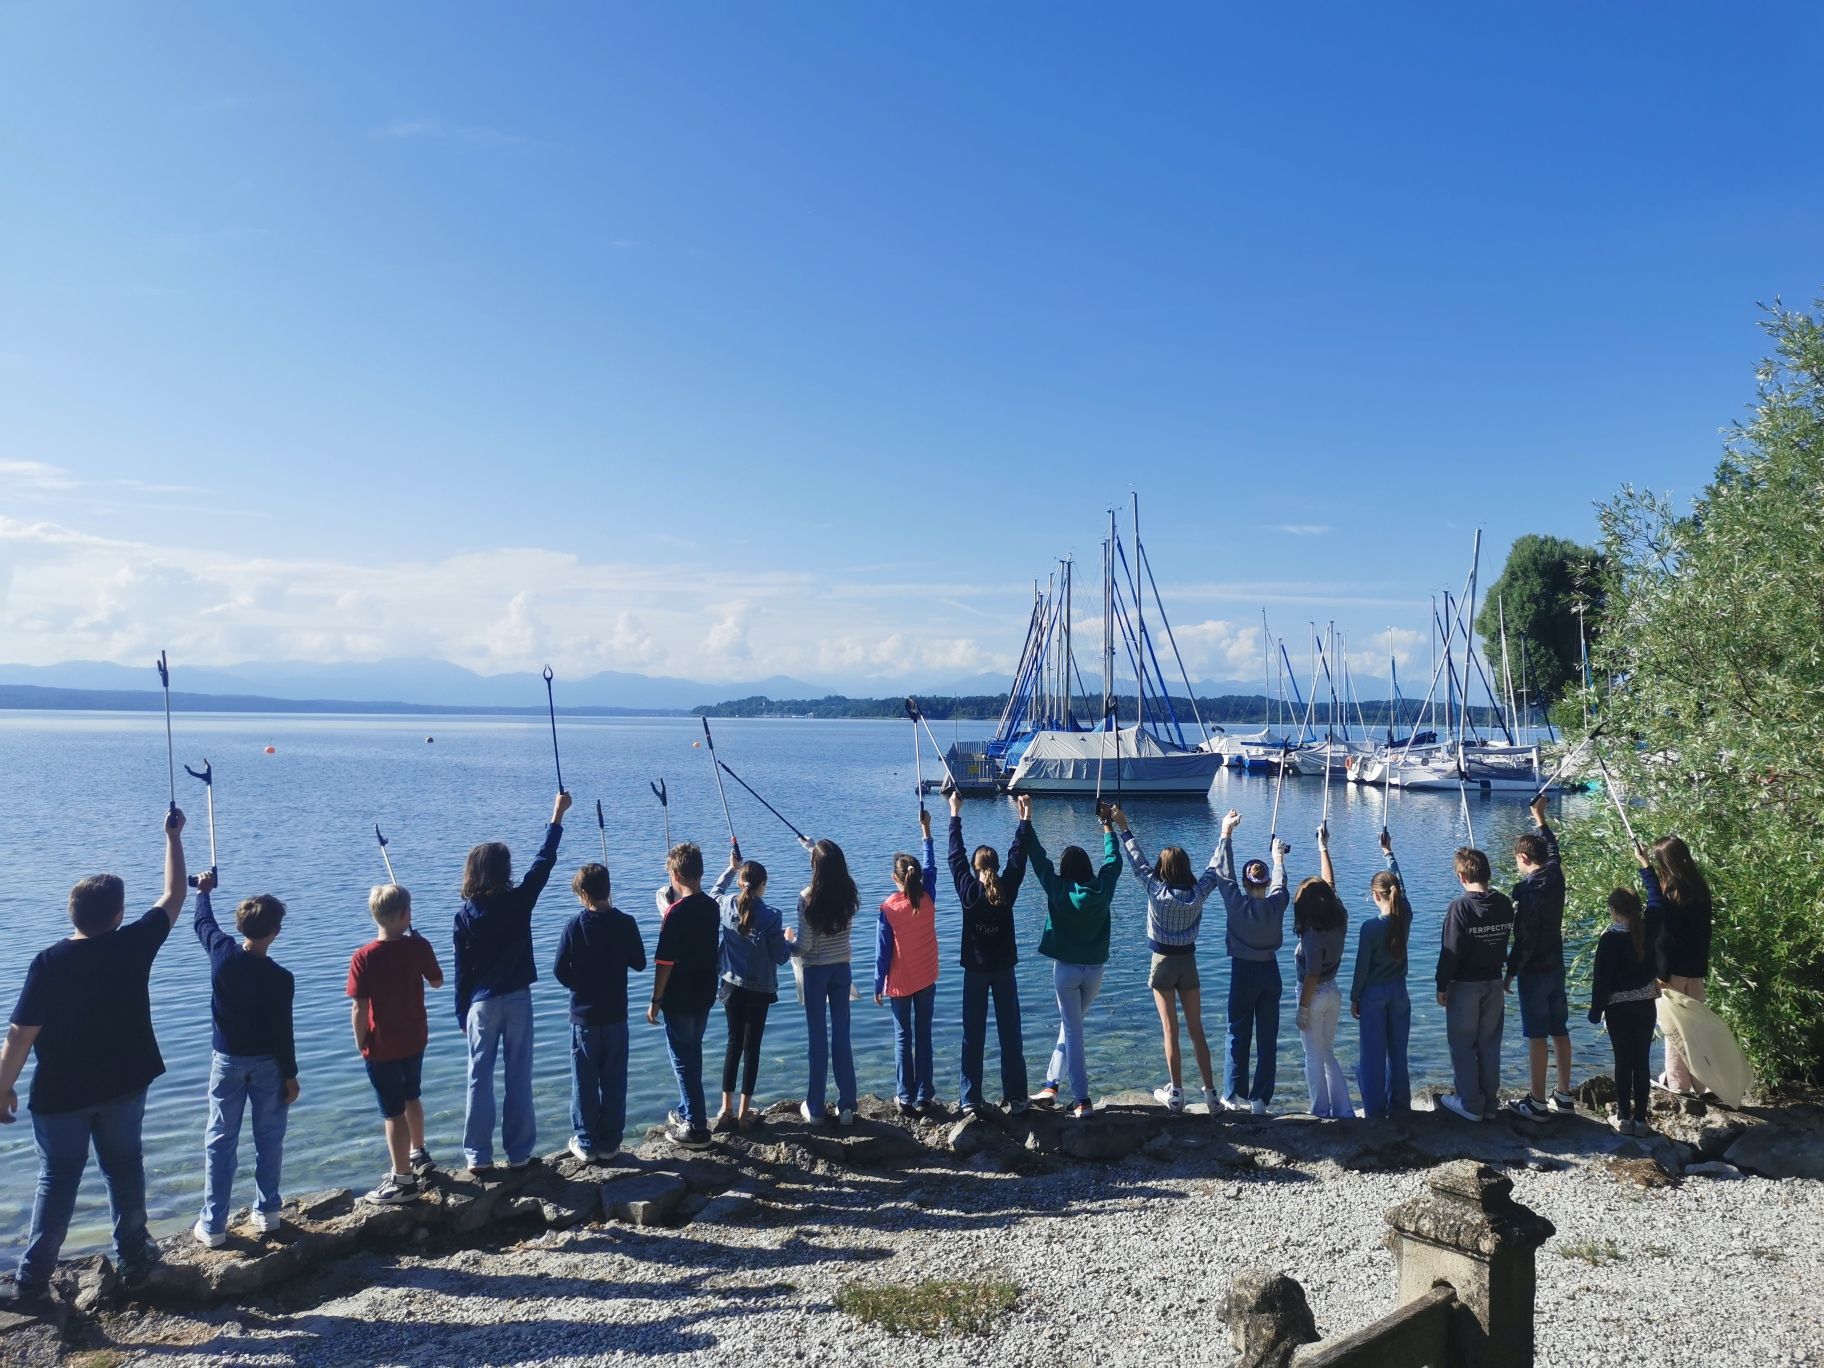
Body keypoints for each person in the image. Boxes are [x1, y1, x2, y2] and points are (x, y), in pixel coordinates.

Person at [0, 807, 189, 1310]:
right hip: (125, 1084)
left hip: (61, 1095)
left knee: (58, 1181)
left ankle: (32, 1284)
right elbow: (174, 895)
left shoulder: (48, 962)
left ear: (72, 913)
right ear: (118, 915)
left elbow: (20, 1035)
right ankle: (134, 1260)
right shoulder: (134, 945)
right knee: (124, 1170)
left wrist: (3, 1084)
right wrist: (172, 837)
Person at [452, 791, 569, 1172]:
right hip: (517, 999)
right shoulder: (519, 902)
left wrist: (461, 1014)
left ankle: (477, 1156)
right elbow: (543, 862)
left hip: (481, 1004)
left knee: (478, 1079)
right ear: (504, 872)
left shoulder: (464, 916)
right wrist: (556, 816)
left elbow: (462, 971)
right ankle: (519, 1155)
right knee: (519, 1076)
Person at [191, 871, 298, 1246]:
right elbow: (283, 1032)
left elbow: (203, 923)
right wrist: (291, 1075)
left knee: (220, 1140)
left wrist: (203, 892)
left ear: (239, 926)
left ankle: (214, 1225)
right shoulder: (281, 978)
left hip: (227, 1062)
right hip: (269, 1065)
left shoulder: (222, 955)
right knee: (270, 1138)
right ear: (276, 933)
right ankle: (267, 1212)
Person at [1107, 802, 1221, 1115]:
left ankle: (1176, 1094)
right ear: (1185, 868)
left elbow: (1137, 860)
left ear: (1163, 869)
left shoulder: (1155, 890)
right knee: (1196, 1029)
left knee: (1171, 1030)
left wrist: (1123, 826)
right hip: (1189, 963)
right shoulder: (1198, 893)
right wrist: (1225, 834)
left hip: (1162, 963)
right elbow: (1215, 868)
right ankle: (1212, 1095)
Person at [348, 883, 444, 1203]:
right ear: (405, 915)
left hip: (383, 1045)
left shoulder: (363, 956)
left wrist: (361, 1041)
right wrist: (422, 947)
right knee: (411, 1095)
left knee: (392, 1112)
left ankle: (402, 1180)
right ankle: (418, 1151)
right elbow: (437, 981)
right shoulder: (418, 946)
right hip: (415, 1038)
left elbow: (360, 1007)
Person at [1027, 809, 1121, 1119]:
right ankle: (1051, 1085)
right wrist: (1107, 826)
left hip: (1066, 970)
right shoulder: (1102, 889)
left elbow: (1038, 859)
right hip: (1095, 971)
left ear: (1065, 869)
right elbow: (1113, 861)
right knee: (1072, 1026)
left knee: (1073, 1031)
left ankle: (1082, 1100)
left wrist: (1027, 821)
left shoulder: (1058, 889)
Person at [554, 862, 647, 1162]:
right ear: (609, 889)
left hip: (584, 1017)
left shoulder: (573, 926)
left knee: (584, 1080)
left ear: (584, 893)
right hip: (616, 1014)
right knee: (614, 1079)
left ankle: (586, 1141)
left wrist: (578, 986)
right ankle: (610, 1143)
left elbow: (559, 970)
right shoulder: (626, 922)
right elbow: (640, 962)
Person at [946, 790, 1030, 1117]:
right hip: (1004, 969)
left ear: (975, 868)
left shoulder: (968, 892)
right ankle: (1017, 1098)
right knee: (1010, 1034)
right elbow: (1018, 857)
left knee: (973, 1035)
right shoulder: (1007, 889)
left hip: (975, 972)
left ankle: (970, 1099)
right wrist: (1024, 819)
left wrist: (955, 813)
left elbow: (955, 856)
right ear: (995, 867)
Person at [1212, 809, 1290, 1115]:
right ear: (1266, 883)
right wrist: (1278, 858)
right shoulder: (1277, 903)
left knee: (1237, 1033)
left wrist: (1226, 833)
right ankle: (1260, 1100)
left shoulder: (1237, 904)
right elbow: (1281, 884)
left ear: (1245, 884)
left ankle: (1233, 1095)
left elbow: (1223, 874)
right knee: (1267, 1038)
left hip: (1243, 971)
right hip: (1270, 971)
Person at [707, 850, 792, 1131]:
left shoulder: (726, 905)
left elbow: (714, 893)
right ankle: (744, 1114)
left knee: (733, 1044)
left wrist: (731, 869)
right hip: (760, 989)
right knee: (751, 1048)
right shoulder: (772, 916)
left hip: (730, 985)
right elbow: (780, 956)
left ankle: (725, 1110)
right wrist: (789, 939)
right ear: (762, 885)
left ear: (741, 882)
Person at [1504, 794, 1575, 1121]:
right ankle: (1564, 1093)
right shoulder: (1556, 876)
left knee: (1536, 1034)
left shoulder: (1530, 894)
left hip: (1535, 971)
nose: (1516, 866)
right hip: (1556, 965)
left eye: (1516, 861)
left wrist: (1510, 972)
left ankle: (1536, 1100)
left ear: (1523, 857)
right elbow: (1555, 852)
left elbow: (1525, 940)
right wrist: (1541, 821)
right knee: (1559, 1028)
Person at [1434, 846, 1515, 1123]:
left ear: (1461, 876)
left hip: (1465, 985)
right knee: (1489, 1044)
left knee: (1463, 1045)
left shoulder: (1460, 907)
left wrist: (1441, 984)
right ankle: (1490, 1103)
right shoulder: (1503, 903)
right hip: (1494, 982)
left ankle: (1470, 1103)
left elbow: (1450, 950)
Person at [649, 842, 722, 1149]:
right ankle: (686, 1109)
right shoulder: (712, 907)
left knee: (682, 1058)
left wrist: (655, 1001)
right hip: (704, 992)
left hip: (679, 996)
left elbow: (664, 962)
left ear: (676, 875)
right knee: (693, 1052)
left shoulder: (675, 912)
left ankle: (696, 1126)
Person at [875, 811, 941, 1117]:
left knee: (903, 1037)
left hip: (900, 983)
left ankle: (904, 1096)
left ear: (895, 878)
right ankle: (925, 1095)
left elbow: (882, 953)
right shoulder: (928, 896)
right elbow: (931, 866)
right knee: (924, 1035)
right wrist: (926, 831)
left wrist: (878, 985)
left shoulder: (888, 908)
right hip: (926, 976)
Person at [792, 839, 861, 1126]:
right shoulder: (848, 891)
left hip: (816, 972)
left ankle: (816, 1109)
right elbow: (830, 865)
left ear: (815, 867)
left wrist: (787, 943)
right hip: (842, 969)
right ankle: (847, 1108)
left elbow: (803, 947)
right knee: (842, 1037)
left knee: (817, 1040)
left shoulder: (807, 897)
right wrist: (814, 848)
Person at [1638, 835, 1713, 1096]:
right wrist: (1646, 866)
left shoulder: (1670, 894)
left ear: (1665, 864)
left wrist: (1661, 974)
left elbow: (1663, 933)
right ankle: (1702, 1083)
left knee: (1674, 1029)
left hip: (1672, 973)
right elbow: (1703, 934)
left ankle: (1678, 1083)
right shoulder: (1700, 890)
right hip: (1696, 971)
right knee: (1694, 1029)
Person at [1350, 830, 1412, 1119]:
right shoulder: (1405, 915)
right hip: (1399, 991)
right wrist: (1389, 853)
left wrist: (1354, 997)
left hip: (1374, 994)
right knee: (1398, 1053)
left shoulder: (1370, 928)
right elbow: (1402, 887)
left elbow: (1361, 968)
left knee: (1373, 1055)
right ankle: (1400, 1106)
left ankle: (1375, 1110)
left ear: (1375, 896)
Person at [1589, 887, 1660, 1136]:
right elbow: (1656, 901)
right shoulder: (1649, 931)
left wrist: (1595, 1011)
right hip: (1646, 1005)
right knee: (1641, 1060)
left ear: (1613, 910)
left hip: (1618, 1008)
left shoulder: (1609, 939)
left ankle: (1623, 1116)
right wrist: (1647, 870)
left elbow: (1602, 981)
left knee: (1623, 1061)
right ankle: (1641, 1120)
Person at [1293, 823, 1352, 1119]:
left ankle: (1319, 1110)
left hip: (1314, 996)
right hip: (1333, 993)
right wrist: (1323, 847)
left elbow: (1312, 973)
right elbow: (1330, 884)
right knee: (1326, 1052)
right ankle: (1344, 1110)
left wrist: (1302, 1008)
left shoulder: (1312, 935)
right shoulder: (1338, 917)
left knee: (1313, 1056)